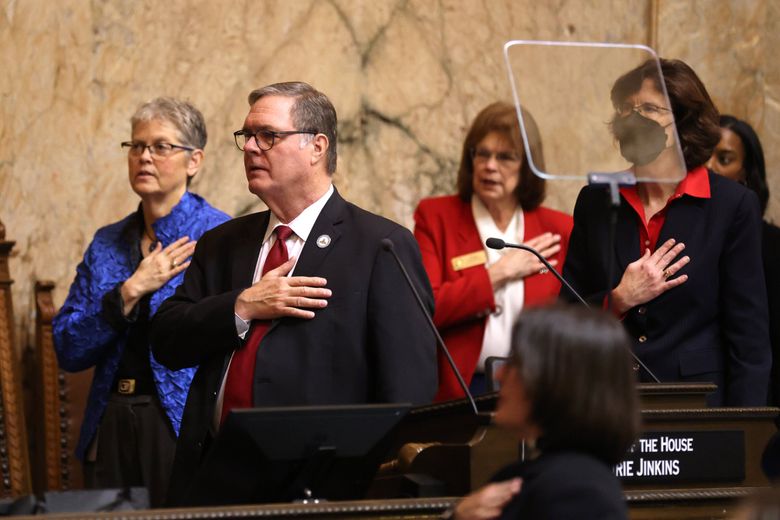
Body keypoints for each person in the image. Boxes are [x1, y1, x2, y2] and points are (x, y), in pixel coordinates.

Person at [149, 81, 437, 505]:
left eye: (267, 136)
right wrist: (242, 305)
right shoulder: (223, 243)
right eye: (247, 137)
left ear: (317, 147)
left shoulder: (380, 246)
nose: (250, 148)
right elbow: (168, 340)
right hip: (213, 479)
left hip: (320, 490)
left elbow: (408, 395)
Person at [52, 97, 230, 506]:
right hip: (110, 416)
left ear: (194, 160)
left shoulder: (221, 236)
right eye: (136, 146)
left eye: (160, 146)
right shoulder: (107, 243)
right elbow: (68, 346)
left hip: (183, 422)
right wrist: (130, 291)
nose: (144, 157)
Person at [562, 58, 770, 406]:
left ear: (684, 122)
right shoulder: (597, 200)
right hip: (606, 406)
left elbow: (748, 341)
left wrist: (743, 434)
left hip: (696, 408)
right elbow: (565, 318)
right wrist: (619, 299)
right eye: (626, 109)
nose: (633, 119)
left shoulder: (731, 206)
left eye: (649, 108)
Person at [413, 102, 572, 400]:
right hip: (462, 389)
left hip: (537, 391)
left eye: (505, 157)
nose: (490, 166)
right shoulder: (436, 218)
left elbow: (575, 318)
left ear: (527, 166)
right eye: (482, 153)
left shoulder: (559, 228)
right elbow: (423, 309)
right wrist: (500, 273)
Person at [450, 304, 639, 519]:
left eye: (516, 363)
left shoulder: (579, 490)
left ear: (554, 380)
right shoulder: (524, 476)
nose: (499, 375)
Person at [708, 115, 780, 406]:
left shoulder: (773, 246)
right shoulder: (689, 237)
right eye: (702, 157)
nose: (709, 167)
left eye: (724, 159)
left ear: (746, 173)